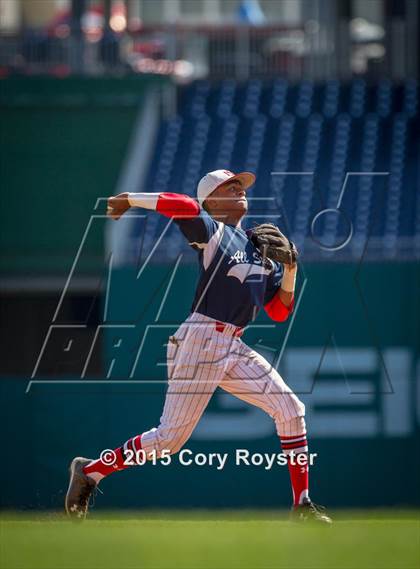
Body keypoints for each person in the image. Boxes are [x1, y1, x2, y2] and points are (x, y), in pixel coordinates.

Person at [65, 169, 331, 523]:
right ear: (211, 201)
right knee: (169, 440)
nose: (239, 189)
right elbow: (183, 206)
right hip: (202, 339)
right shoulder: (215, 232)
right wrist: (130, 198)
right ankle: (91, 471)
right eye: (229, 186)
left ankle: (302, 506)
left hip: (234, 344)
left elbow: (279, 311)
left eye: (241, 185)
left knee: (291, 410)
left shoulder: (260, 250)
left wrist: (292, 267)